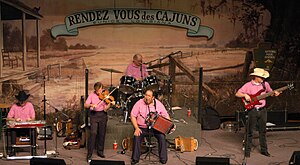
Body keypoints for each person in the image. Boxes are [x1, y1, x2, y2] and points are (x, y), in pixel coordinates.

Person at [235, 68, 280, 157]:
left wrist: (275, 93)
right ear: (256, 76)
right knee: (250, 132)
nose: (263, 79)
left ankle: (264, 150)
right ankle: (247, 152)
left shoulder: (265, 84)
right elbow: (237, 94)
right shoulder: (248, 85)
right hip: (253, 110)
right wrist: (245, 95)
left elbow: (270, 92)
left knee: (263, 131)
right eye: (261, 77)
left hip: (263, 110)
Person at [130, 89, 172, 165]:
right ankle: (135, 159)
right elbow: (133, 115)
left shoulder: (158, 104)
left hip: (155, 128)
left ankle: (163, 158)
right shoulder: (139, 103)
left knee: (162, 136)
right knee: (137, 135)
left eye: (149, 96)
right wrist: (136, 128)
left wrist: (170, 126)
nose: (146, 97)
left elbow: (166, 116)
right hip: (142, 127)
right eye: (146, 95)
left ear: (153, 97)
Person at [84, 82, 115, 162]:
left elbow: (105, 109)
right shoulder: (91, 95)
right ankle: (89, 154)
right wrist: (91, 105)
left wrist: (110, 104)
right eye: (97, 91)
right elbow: (85, 105)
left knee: (102, 133)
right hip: (94, 115)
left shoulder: (105, 95)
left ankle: (100, 151)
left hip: (102, 115)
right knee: (93, 133)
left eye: (100, 90)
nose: (99, 92)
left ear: (102, 88)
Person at [7, 90, 35, 156]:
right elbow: (8, 118)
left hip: (27, 128)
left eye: (23, 101)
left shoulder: (29, 105)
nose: (22, 102)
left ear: (26, 100)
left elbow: (33, 117)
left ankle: (34, 149)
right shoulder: (14, 106)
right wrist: (15, 119)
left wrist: (30, 120)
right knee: (12, 130)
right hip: (18, 129)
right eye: (20, 100)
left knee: (33, 130)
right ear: (18, 100)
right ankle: (13, 150)